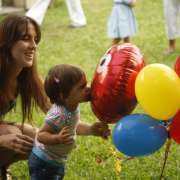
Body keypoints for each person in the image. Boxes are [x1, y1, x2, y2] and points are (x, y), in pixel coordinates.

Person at [28, 64, 110, 180]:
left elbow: (73, 126)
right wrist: (57, 139)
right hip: (44, 162)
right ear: (63, 96)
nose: (88, 88)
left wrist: (91, 129)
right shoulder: (59, 114)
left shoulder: (71, 107)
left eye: (86, 84)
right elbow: (41, 135)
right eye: (81, 87)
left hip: (56, 161)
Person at [0, 14, 52, 179]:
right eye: (25, 38)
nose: (33, 46)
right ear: (6, 42)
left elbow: (55, 111)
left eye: (35, 39)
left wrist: (91, 129)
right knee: (11, 133)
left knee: (39, 139)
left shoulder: (25, 75)